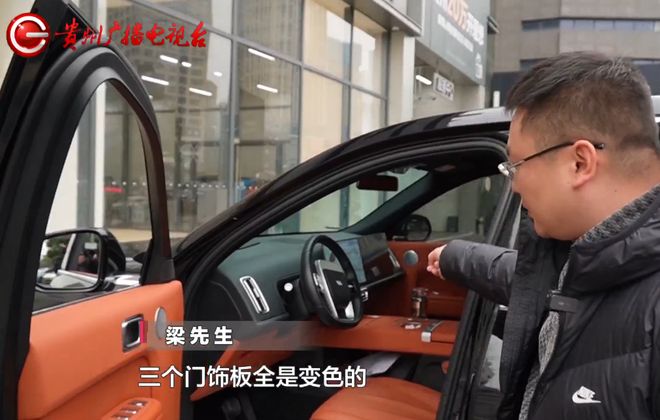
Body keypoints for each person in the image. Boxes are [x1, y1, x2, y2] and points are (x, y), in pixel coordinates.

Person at [427, 51, 660, 420]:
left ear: (580, 163)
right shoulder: (585, 256)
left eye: (516, 165)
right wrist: (454, 257)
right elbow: (529, 279)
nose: (515, 185)